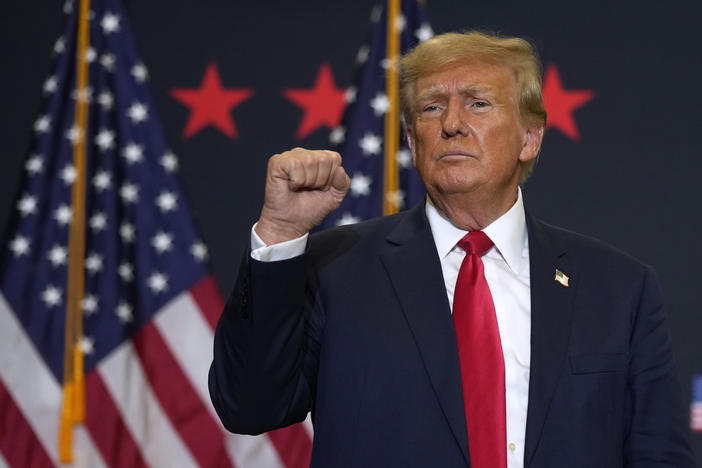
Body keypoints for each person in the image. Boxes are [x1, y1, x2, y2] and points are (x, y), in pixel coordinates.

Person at [209, 31, 694, 467]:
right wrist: (278, 235)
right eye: (431, 107)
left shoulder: (617, 287)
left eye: (479, 104)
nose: (453, 124)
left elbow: (659, 455)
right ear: (414, 145)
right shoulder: (335, 268)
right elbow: (249, 407)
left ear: (530, 138)